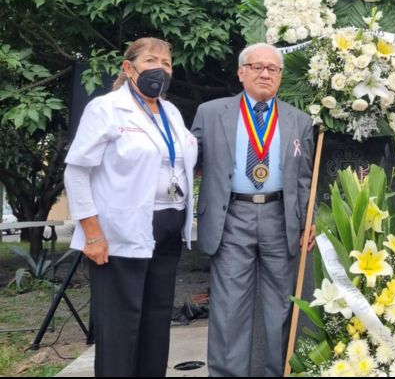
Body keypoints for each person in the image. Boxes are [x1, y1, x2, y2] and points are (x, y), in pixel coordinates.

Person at [64, 37, 198, 377]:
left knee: (156, 321)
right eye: (151, 60)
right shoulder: (106, 108)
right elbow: (77, 171)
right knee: (120, 326)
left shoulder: (170, 112)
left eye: (167, 63)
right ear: (129, 67)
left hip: (168, 228)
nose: (160, 69)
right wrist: (92, 234)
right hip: (119, 233)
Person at [191, 43, 315, 377]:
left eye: (272, 69)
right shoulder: (211, 112)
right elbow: (189, 163)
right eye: (256, 66)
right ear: (241, 72)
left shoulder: (299, 120)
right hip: (231, 216)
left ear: (280, 76)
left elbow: (304, 178)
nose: (264, 73)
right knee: (229, 306)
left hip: (280, 217)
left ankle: (276, 372)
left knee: (279, 306)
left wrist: (308, 220)